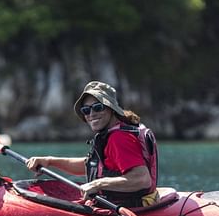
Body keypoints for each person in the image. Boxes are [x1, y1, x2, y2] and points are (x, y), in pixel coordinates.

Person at [26, 80, 159, 208]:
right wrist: (49, 161)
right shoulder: (117, 131)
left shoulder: (119, 138)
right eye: (86, 110)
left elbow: (142, 179)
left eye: (97, 107)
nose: (91, 114)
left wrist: (97, 184)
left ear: (111, 109)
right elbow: (93, 167)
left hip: (128, 209)